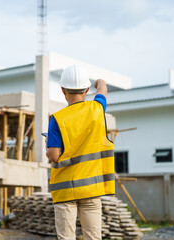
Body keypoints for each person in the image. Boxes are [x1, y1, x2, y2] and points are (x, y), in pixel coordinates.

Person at [46, 65, 115, 240]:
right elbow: (102, 89)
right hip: (91, 188)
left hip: (65, 190)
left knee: (66, 237)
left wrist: (48, 144)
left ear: (62, 90)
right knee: (93, 237)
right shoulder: (97, 109)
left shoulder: (57, 119)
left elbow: (54, 156)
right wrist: (100, 82)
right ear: (86, 89)